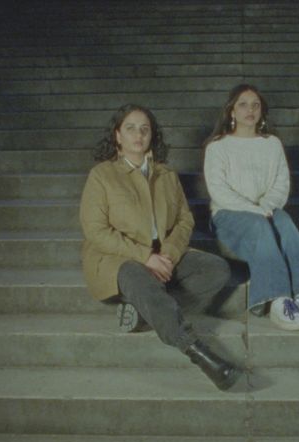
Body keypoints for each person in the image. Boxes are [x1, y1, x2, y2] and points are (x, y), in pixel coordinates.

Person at [79, 104, 241, 391]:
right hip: (118, 259)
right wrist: (145, 257)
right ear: (118, 136)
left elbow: (184, 220)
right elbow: (95, 230)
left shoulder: (166, 175)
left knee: (216, 270)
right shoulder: (102, 176)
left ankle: (143, 313)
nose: (138, 134)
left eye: (145, 128)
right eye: (130, 128)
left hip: (162, 256)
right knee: (136, 275)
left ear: (152, 135)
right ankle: (198, 352)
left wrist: (167, 255)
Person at [203, 84, 299, 331]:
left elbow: (282, 184)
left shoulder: (272, 144)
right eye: (243, 104)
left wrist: (267, 206)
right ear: (231, 111)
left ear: (262, 111)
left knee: (284, 220)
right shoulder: (217, 147)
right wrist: (257, 210)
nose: (250, 109)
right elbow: (219, 192)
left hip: (266, 211)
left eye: (255, 105)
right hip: (229, 215)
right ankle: (278, 299)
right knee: (263, 224)